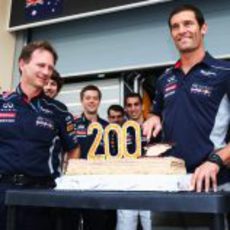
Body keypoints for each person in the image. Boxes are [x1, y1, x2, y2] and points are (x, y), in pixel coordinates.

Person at [143, 4, 230, 193]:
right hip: (168, 183)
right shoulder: (165, 78)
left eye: (188, 24)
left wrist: (215, 161)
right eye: (175, 26)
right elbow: (155, 113)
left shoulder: (225, 73)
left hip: (210, 183)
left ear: (203, 28)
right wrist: (153, 117)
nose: (182, 31)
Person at [0, 41, 79, 230]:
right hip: (2, 191)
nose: (46, 72)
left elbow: (74, 149)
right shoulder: (3, 103)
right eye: (41, 65)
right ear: (22, 64)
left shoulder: (58, 110)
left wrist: (66, 181)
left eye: (50, 67)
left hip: (41, 194)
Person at [74, 84, 116, 230]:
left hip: (99, 183)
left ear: (99, 101)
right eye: (88, 98)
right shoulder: (72, 125)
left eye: (95, 98)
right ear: (82, 101)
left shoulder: (108, 127)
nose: (91, 101)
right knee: (71, 222)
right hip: (76, 181)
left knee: (96, 223)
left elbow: (113, 155)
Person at [116, 93, 151, 230]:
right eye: (129, 105)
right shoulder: (120, 131)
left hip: (151, 187)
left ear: (142, 106)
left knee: (152, 226)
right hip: (127, 186)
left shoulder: (153, 127)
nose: (133, 108)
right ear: (125, 108)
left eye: (136, 104)